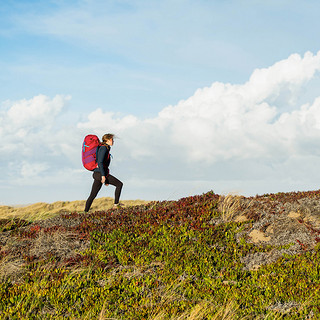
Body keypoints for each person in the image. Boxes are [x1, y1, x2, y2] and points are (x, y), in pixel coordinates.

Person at [84, 133, 123, 212]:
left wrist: (104, 177)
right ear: (108, 140)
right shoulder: (103, 148)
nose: (113, 141)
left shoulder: (105, 148)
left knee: (92, 195)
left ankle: (85, 212)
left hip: (98, 174)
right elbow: (100, 163)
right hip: (99, 174)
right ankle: (116, 205)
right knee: (119, 184)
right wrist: (103, 176)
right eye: (112, 139)